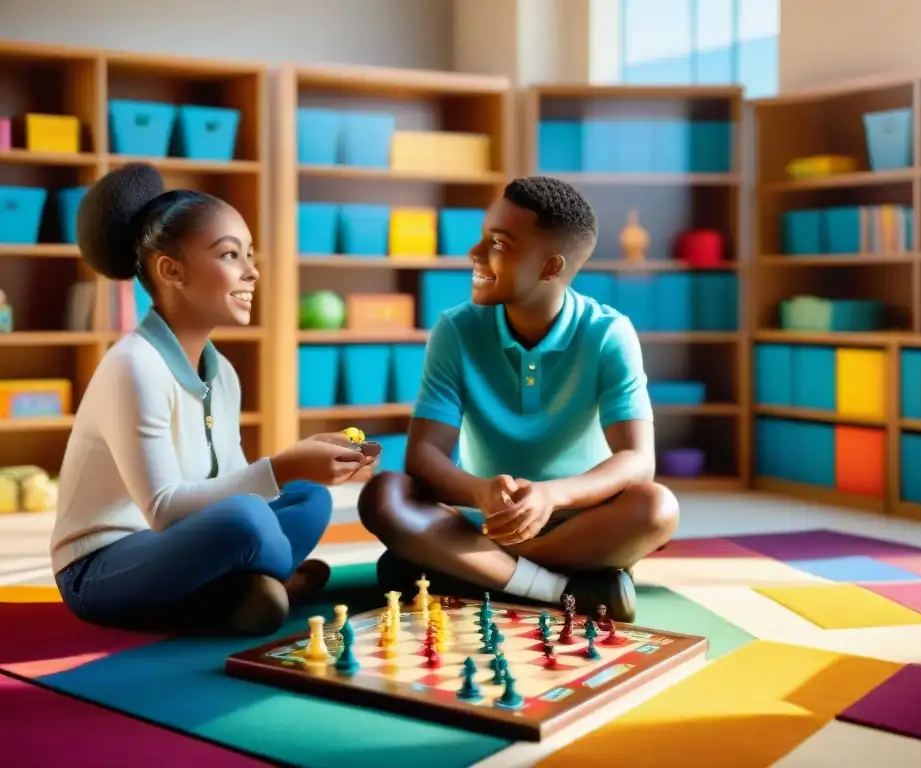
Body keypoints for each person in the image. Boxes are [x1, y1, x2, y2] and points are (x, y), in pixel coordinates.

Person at [51, 163, 376, 635]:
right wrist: (282, 466)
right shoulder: (134, 365)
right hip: (100, 569)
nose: (252, 272)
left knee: (308, 498)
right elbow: (162, 509)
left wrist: (302, 467)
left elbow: (230, 481)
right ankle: (269, 579)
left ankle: (249, 590)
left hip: (180, 545)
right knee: (247, 518)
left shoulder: (220, 371)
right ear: (171, 271)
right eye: (230, 255)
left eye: (249, 255)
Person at [358, 176, 679, 622]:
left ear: (550, 268)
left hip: (580, 525)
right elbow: (424, 455)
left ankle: (472, 569)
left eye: (498, 245)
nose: (474, 253)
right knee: (384, 494)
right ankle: (556, 589)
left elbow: (637, 460)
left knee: (657, 507)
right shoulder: (456, 329)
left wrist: (552, 496)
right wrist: (479, 491)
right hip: (482, 521)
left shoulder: (609, 334)